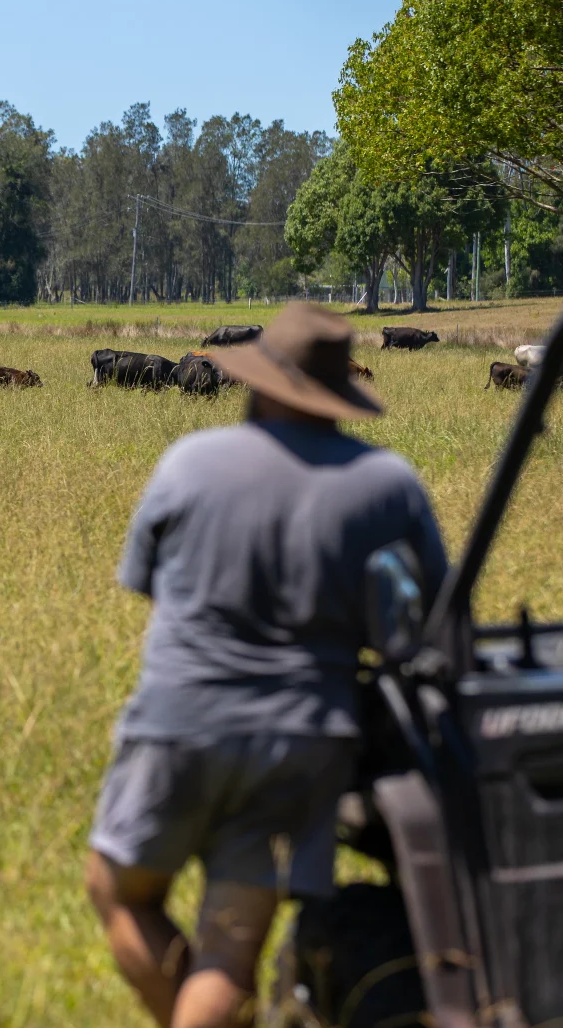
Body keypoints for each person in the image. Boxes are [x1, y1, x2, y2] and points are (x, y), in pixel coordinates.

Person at [85, 301, 448, 1028]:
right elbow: (431, 626)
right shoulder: (389, 485)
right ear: (338, 393)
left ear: (259, 382)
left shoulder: (189, 462)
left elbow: (148, 585)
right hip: (304, 741)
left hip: (179, 722)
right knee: (230, 952)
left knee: (120, 893)